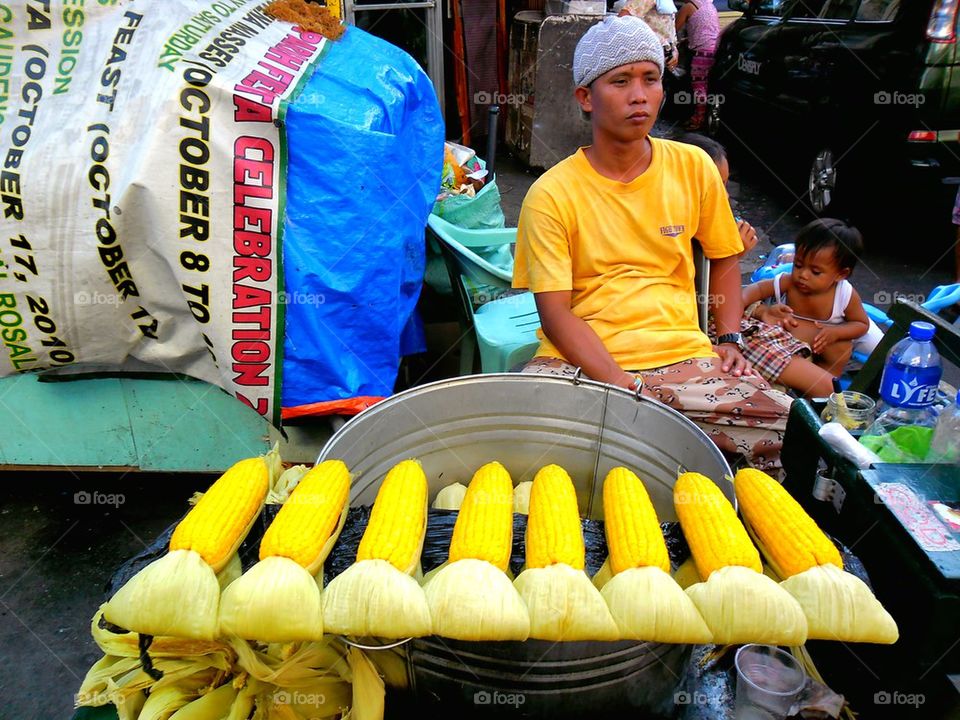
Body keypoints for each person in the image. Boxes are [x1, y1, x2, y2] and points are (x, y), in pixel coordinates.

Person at [513, 15, 792, 474]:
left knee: (785, 431)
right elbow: (556, 313)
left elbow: (723, 254)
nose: (639, 95)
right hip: (579, 363)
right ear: (585, 96)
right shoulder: (551, 194)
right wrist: (620, 384)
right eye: (620, 81)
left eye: (651, 79)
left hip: (682, 357)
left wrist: (728, 337)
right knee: (532, 461)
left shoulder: (693, 166)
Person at [680, 134, 837, 398]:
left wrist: (758, 309)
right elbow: (699, 301)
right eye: (714, 187)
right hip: (711, 329)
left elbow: (728, 295)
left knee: (832, 344)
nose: (725, 197)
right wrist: (733, 258)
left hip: (732, 319)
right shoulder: (676, 232)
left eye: (725, 185)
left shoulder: (713, 224)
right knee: (826, 387)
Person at [742, 218, 877, 377]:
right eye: (798, 265)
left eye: (815, 272)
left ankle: (825, 386)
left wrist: (837, 332)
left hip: (830, 339)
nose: (803, 275)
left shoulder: (845, 294)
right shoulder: (787, 282)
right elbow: (755, 289)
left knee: (866, 348)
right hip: (793, 336)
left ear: (841, 274)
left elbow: (861, 323)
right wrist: (740, 302)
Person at [675, 0, 720, 129]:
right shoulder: (709, 5)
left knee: (699, 86)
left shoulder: (688, 7)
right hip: (714, 49)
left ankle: (698, 120)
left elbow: (673, 29)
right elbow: (704, 30)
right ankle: (704, 118)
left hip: (701, 52)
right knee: (706, 86)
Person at [619, 0, 680, 72]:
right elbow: (622, 21)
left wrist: (674, 49)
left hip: (662, 56)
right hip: (647, 55)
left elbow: (669, 26)